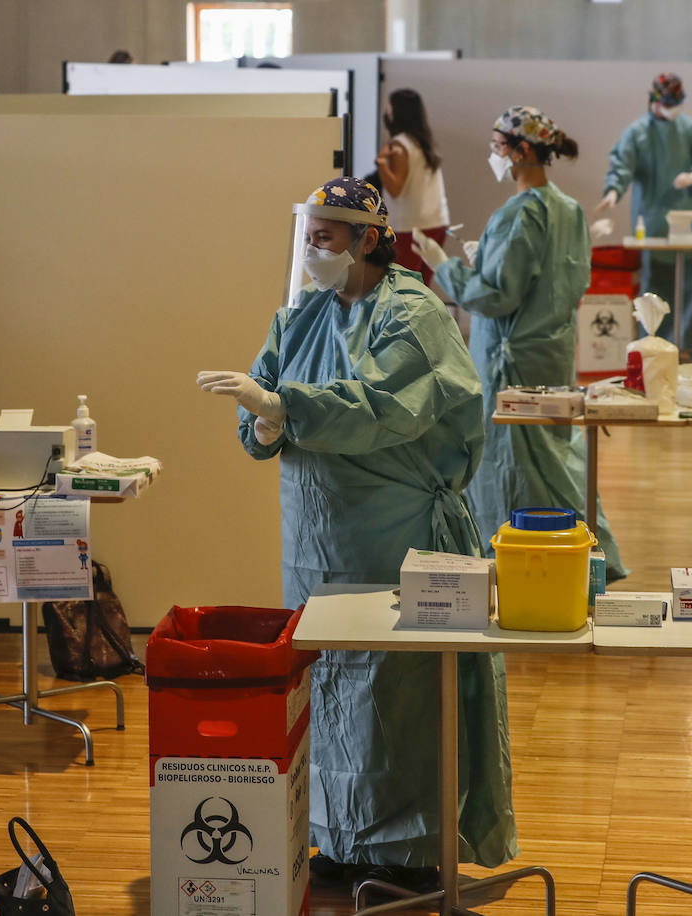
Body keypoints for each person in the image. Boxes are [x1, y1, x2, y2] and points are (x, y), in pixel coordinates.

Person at [197, 177, 515, 888]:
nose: (313, 249)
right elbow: (261, 406)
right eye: (308, 236)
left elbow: (380, 407)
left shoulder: (413, 314)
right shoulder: (301, 316)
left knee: (392, 694)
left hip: (390, 534)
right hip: (313, 541)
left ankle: (407, 854)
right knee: (325, 686)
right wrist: (264, 418)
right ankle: (338, 842)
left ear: (368, 238)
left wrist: (286, 404)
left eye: (327, 236)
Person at [414, 106, 627, 580]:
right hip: (549, 352)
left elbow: (495, 294)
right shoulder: (568, 209)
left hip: (510, 362)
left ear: (522, 150)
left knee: (510, 464)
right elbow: (561, 281)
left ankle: (519, 563)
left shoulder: (521, 211)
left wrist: (446, 266)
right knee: (555, 456)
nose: (495, 155)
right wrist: (483, 259)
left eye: (498, 146)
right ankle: (582, 557)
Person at [597, 73, 692, 355]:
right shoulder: (638, 133)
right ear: (655, 101)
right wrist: (613, 192)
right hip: (656, 223)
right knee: (657, 288)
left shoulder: (691, 129)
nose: (672, 107)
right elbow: (622, 166)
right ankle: (656, 348)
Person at [376, 88, 451, 287]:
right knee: (421, 288)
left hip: (408, 226)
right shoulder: (425, 142)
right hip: (436, 221)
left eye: (389, 108)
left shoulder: (399, 145)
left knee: (403, 289)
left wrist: (381, 162)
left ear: (396, 113)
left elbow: (395, 189)